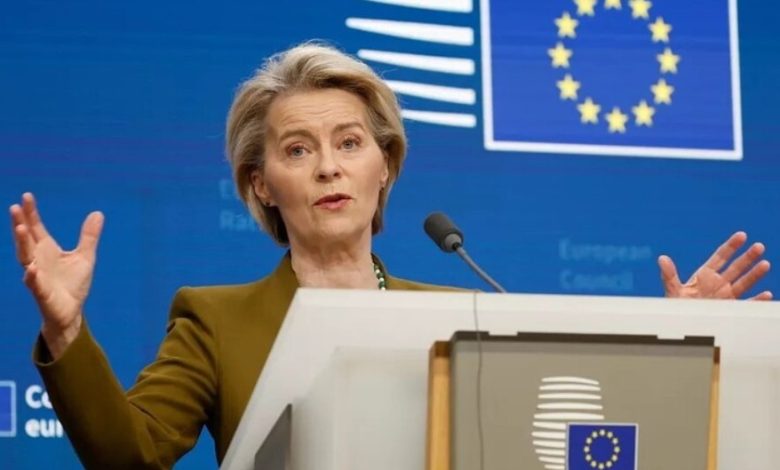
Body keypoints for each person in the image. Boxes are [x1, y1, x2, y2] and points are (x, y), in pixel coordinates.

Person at [8, 42, 773, 469]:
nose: (328, 168)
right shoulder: (215, 320)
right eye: (297, 150)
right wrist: (67, 333)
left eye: (349, 144)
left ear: (385, 167)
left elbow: (559, 444)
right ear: (262, 185)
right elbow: (129, 456)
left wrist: (680, 347)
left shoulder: (463, 317)